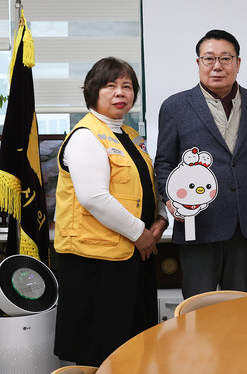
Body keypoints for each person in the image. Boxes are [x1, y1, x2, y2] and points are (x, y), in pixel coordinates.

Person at [54, 57, 168, 366]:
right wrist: (140, 233)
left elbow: (146, 185)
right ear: (93, 91)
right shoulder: (86, 135)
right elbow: (94, 198)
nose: (120, 93)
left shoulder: (130, 135)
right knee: (100, 351)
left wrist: (160, 219)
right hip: (96, 261)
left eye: (127, 86)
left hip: (132, 255)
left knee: (132, 345)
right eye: (110, 85)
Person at [154, 29, 247, 299]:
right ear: (198, 63)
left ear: (238, 63)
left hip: (245, 226)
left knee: (238, 302)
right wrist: (172, 199)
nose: (217, 66)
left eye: (225, 58)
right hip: (198, 222)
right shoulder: (175, 106)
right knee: (199, 305)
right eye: (209, 59)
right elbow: (164, 163)